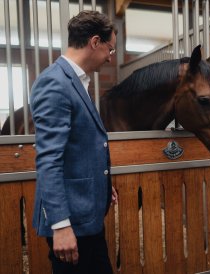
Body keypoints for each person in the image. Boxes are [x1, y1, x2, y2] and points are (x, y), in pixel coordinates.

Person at [30, 10, 118, 274]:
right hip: (71, 222)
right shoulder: (55, 83)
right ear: (95, 42)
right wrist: (60, 226)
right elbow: (49, 160)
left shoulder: (76, 81)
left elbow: (80, 146)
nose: (109, 58)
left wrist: (103, 185)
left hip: (86, 215)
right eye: (110, 50)